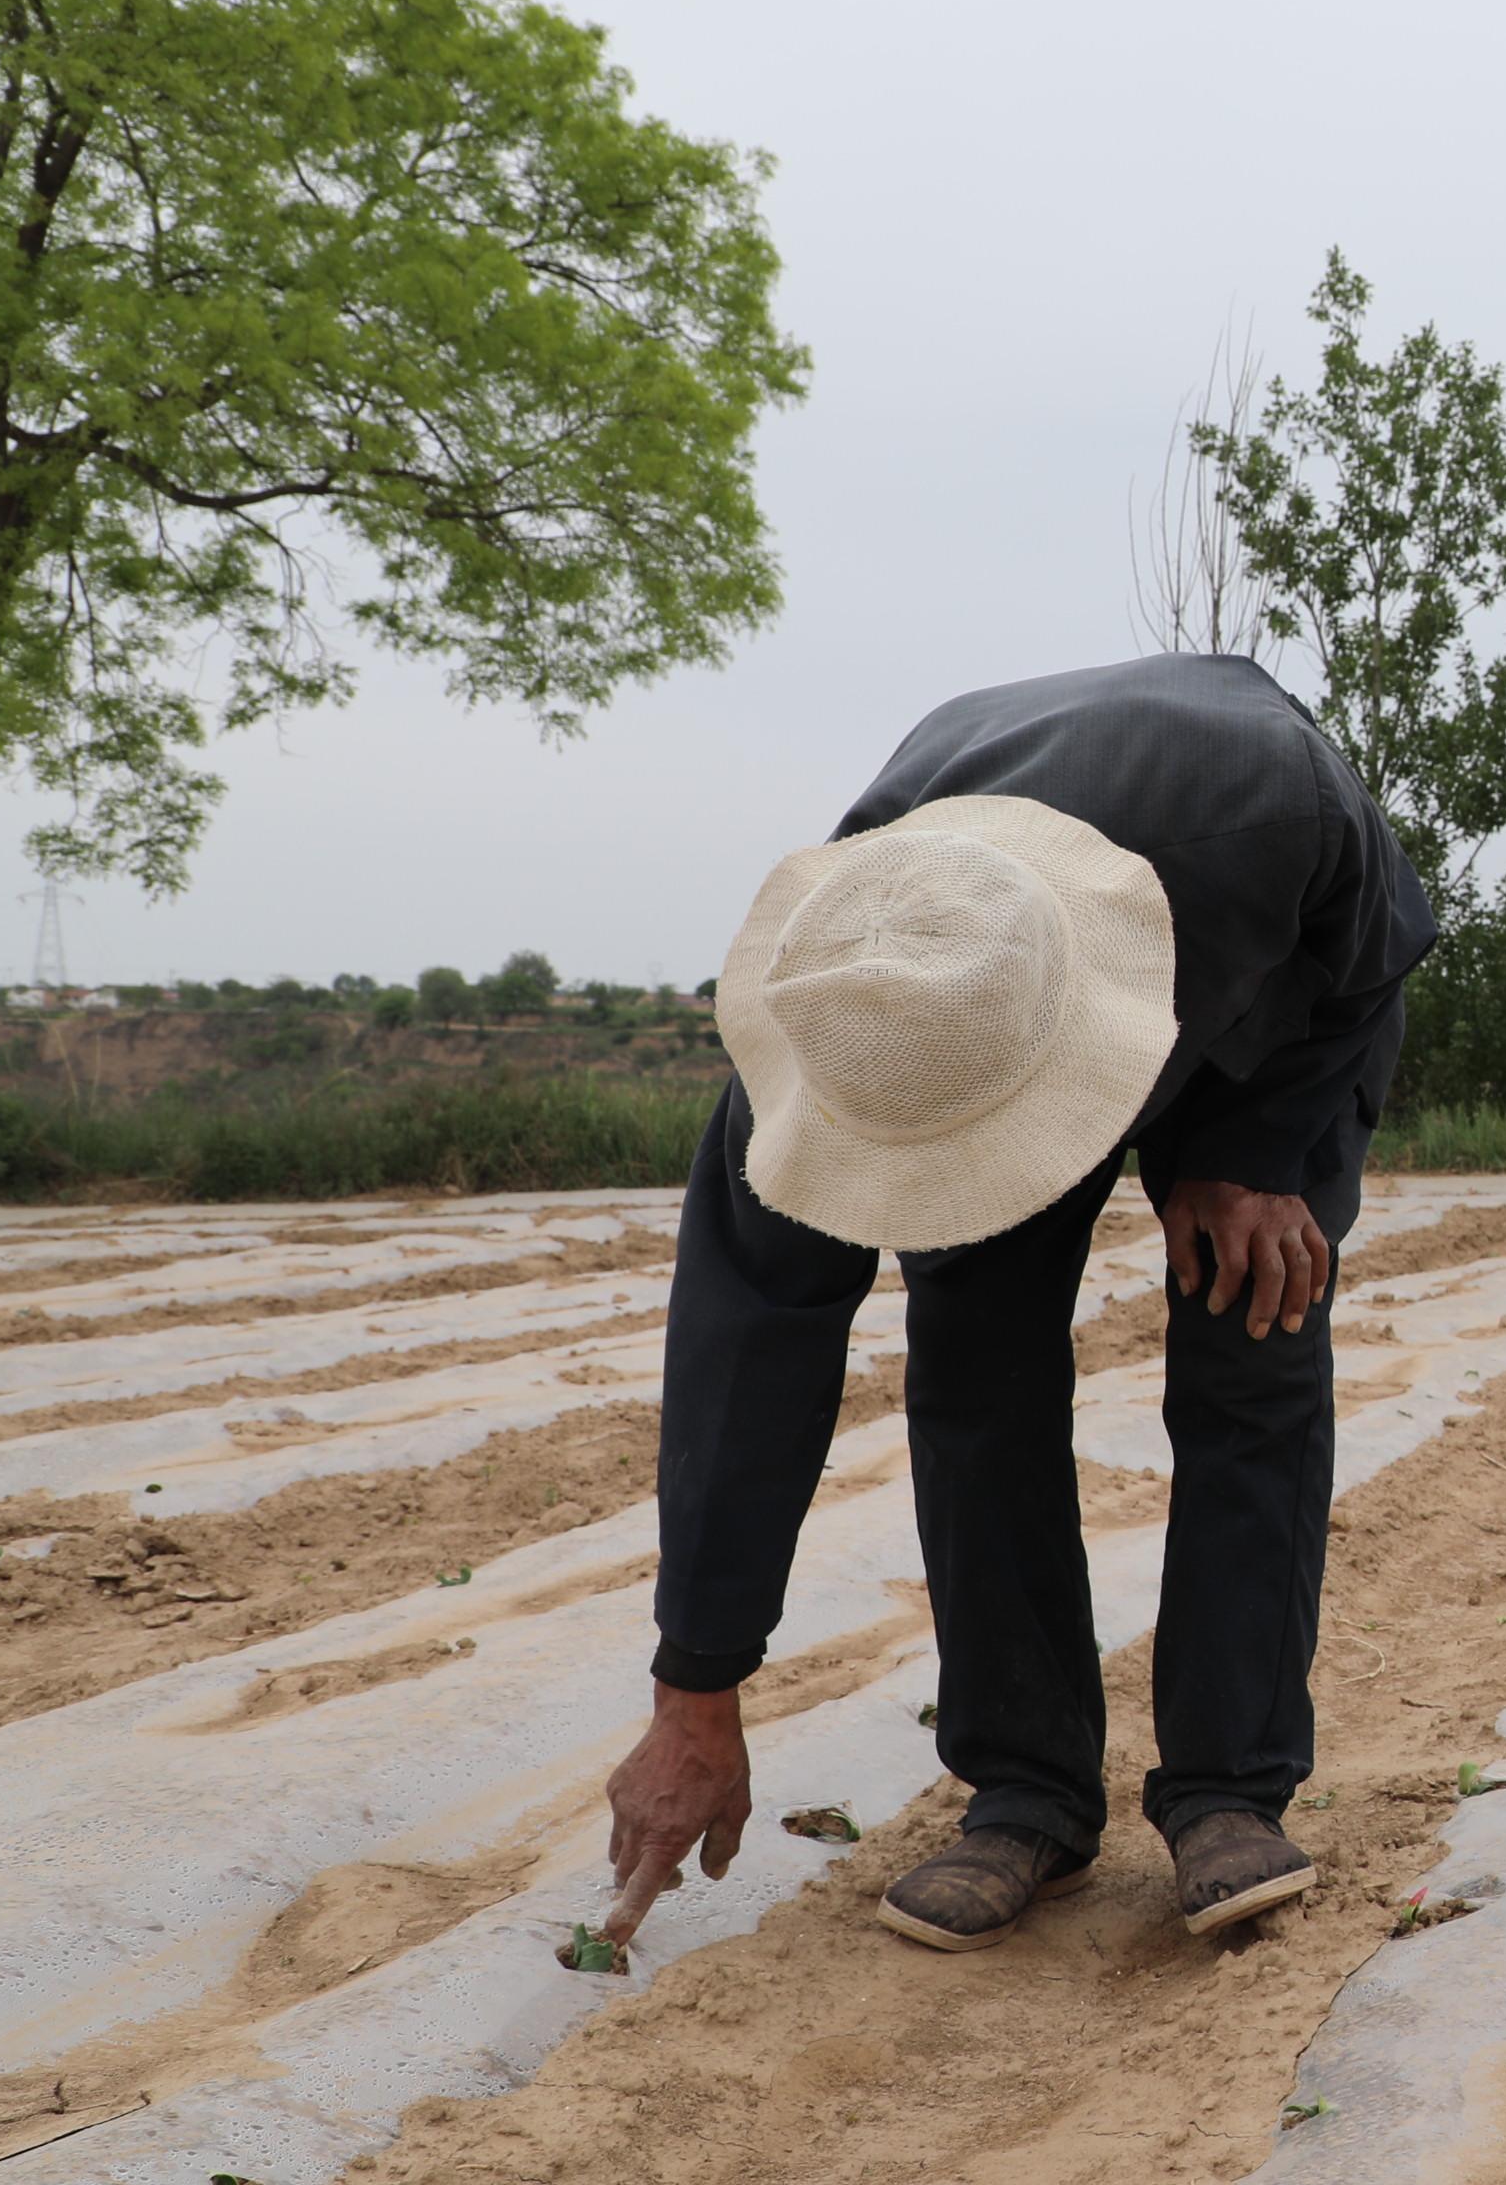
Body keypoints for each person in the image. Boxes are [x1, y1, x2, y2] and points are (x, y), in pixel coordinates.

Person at [597, 653, 1433, 1957]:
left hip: (1265, 994)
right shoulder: (847, 1004)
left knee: (1251, 1328)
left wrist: (1258, 1152)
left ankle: (1227, 1789)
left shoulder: (1267, 814)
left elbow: (1373, 937)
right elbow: (742, 1361)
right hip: (975, 964)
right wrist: (694, 1693)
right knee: (975, 1365)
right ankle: (1027, 1791)